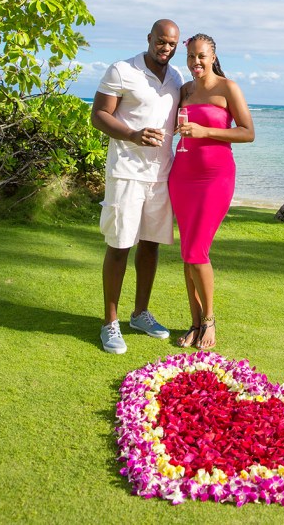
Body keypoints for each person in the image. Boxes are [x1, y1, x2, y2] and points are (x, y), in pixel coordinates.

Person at [91, 19, 183, 354]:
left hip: (161, 175)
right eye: (161, 41)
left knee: (151, 245)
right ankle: (110, 323)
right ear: (149, 38)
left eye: (172, 44)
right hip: (126, 173)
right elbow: (99, 114)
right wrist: (132, 134)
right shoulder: (121, 70)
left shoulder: (175, 78)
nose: (166, 48)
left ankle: (140, 314)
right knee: (119, 245)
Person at [168, 33, 255, 350]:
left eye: (201, 56)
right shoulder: (185, 90)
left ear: (213, 55)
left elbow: (248, 133)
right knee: (187, 253)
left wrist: (205, 131)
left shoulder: (228, 88)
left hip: (215, 177)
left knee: (197, 251)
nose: (195, 62)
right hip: (182, 175)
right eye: (190, 56)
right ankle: (193, 323)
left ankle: (209, 321)